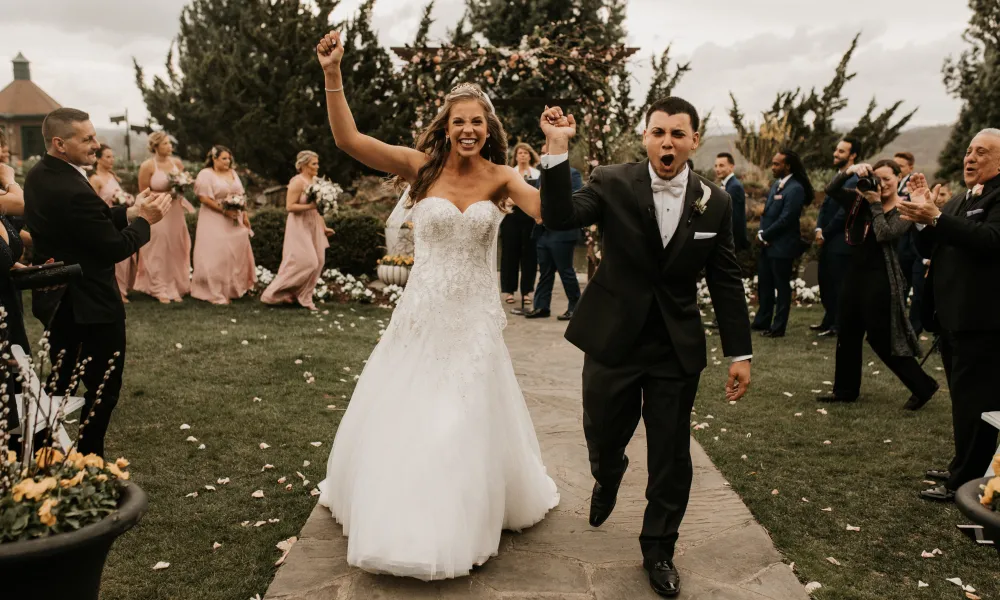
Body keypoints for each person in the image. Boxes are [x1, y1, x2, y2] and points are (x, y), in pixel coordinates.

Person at [313, 31, 558, 580]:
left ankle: (454, 522)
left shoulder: (503, 178)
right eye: (458, 121)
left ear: (488, 129)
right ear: (446, 128)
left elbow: (552, 213)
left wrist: (559, 152)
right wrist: (334, 75)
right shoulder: (419, 167)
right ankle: (402, 514)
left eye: (477, 122)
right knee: (412, 411)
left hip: (472, 321)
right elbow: (351, 140)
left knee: (459, 418)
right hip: (422, 316)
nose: (467, 130)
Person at [539, 97, 752, 598]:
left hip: (674, 348)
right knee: (603, 431)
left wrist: (740, 353)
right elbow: (560, 217)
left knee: (671, 454)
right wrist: (556, 149)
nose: (668, 142)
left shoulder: (716, 202)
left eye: (678, 134)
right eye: (659, 132)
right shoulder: (612, 180)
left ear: (694, 141)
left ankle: (659, 547)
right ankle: (607, 474)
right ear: (646, 137)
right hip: (613, 337)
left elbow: (725, 280)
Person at [23, 108, 171, 457]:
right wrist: (146, 221)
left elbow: (88, 223)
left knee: (59, 384)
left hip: (59, 299)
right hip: (91, 305)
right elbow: (113, 248)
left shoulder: (40, 175)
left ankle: (43, 454)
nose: (96, 144)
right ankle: (90, 456)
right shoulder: (71, 187)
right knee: (104, 387)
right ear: (60, 143)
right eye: (86, 138)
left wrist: (127, 213)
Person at [899, 128, 1000, 501]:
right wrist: (925, 217)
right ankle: (963, 465)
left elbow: (990, 240)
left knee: (977, 402)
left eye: (982, 152)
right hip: (954, 317)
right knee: (963, 400)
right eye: (969, 151)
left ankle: (966, 481)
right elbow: (932, 242)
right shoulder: (961, 197)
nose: (970, 158)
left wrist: (937, 217)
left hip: (984, 319)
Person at [815, 160, 938, 411]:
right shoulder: (859, 199)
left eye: (887, 179)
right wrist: (850, 171)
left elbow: (885, 233)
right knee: (847, 332)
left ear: (898, 178)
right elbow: (831, 190)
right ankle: (845, 390)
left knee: (881, 338)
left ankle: (923, 385)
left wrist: (874, 203)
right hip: (855, 275)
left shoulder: (906, 207)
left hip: (882, 280)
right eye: (877, 178)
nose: (881, 184)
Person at [261, 150, 334, 310]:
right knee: (308, 261)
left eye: (317, 163)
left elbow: (318, 209)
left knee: (319, 261)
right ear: (303, 165)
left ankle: (305, 297)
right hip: (299, 225)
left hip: (313, 223)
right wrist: (311, 206)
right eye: (314, 163)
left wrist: (324, 227)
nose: (317, 166)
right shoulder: (297, 181)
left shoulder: (316, 181)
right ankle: (273, 293)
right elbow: (290, 206)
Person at [751, 149, 812, 338]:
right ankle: (762, 321)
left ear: (787, 166)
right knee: (765, 284)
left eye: (777, 164)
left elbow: (787, 219)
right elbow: (767, 213)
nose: (773, 167)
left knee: (782, 286)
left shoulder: (796, 188)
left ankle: (778, 327)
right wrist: (762, 233)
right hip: (768, 245)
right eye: (773, 163)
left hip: (782, 247)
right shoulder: (777, 184)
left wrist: (766, 236)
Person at [191, 146, 256, 305]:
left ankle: (233, 289)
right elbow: (204, 198)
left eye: (229, 158)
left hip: (235, 217)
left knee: (234, 253)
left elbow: (241, 195)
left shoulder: (232, 173)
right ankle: (214, 292)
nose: (228, 161)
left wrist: (245, 214)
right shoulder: (206, 174)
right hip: (213, 217)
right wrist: (224, 211)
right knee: (217, 254)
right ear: (214, 158)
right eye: (224, 158)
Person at [133, 131, 192, 303]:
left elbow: (184, 184)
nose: (170, 147)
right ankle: (158, 288)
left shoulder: (177, 164)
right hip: (157, 210)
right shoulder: (148, 166)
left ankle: (175, 286)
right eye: (166, 143)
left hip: (175, 211)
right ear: (156, 146)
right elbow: (143, 192)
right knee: (158, 248)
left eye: (170, 143)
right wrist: (166, 193)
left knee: (176, 246)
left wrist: (180, 188)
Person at [525, 142, 582, 320]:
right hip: (543, 232)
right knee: (545, 271)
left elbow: (575, 198)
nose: (543, 156)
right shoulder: (542, 175)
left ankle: (576, 307)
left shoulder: (572, 174)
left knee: (566, 271)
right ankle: (542, 306)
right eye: (542, 153)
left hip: (563, 232)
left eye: (546, 153)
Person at [811, 138, 859, 337]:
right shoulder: (838, 177)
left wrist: (826, 232)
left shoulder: (854, 178)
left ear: (853, 155)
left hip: (841, 239)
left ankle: (838, 324)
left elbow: (844, 212)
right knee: (826, 281)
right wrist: (818, 228)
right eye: (836, 150)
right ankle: (829, 320)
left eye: (841, 151)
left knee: (838, 284)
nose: (835, 154)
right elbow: (824, 207)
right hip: (828, 236)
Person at [89, 145, 137, 303]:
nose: (111, 160)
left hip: (119, 219)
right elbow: (93, 202)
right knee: (112, 254)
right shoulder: (95, 179)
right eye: (108, 157)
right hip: (105, 219)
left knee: (124, 255)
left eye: (112, 157)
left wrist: (124, 199)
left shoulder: (113, 176)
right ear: (98, 158)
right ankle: (116, 290)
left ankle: (123, 287)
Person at [500, 142, 540, 306]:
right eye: (519, 153)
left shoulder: (538, 174)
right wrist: (518, 201)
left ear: (530, 156)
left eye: (525, 153)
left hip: (530, 220)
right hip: (512, 218)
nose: (522, 155)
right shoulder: (510, 174)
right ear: (515, 156)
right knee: (510, 254)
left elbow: (538, 197)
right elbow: (503, 197)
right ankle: (509, 291)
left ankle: (527, 292)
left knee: (529, 255)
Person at [892, 151, 922, 332]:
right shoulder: (891, 184)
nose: (897, 169)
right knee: (898, 291)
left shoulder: (913, 187)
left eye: (901, 166)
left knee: (917, 293)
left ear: (911, 167)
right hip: (898, 245)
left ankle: (914, 330)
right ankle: (897, 329)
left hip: (914, 246)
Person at [714, 152, 748, 251]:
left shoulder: (734, 186)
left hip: (731, 241)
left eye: (721, 166)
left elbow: (733, 217)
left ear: (731, 167)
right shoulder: (725, 185)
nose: (717, 169)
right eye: (716, 166)